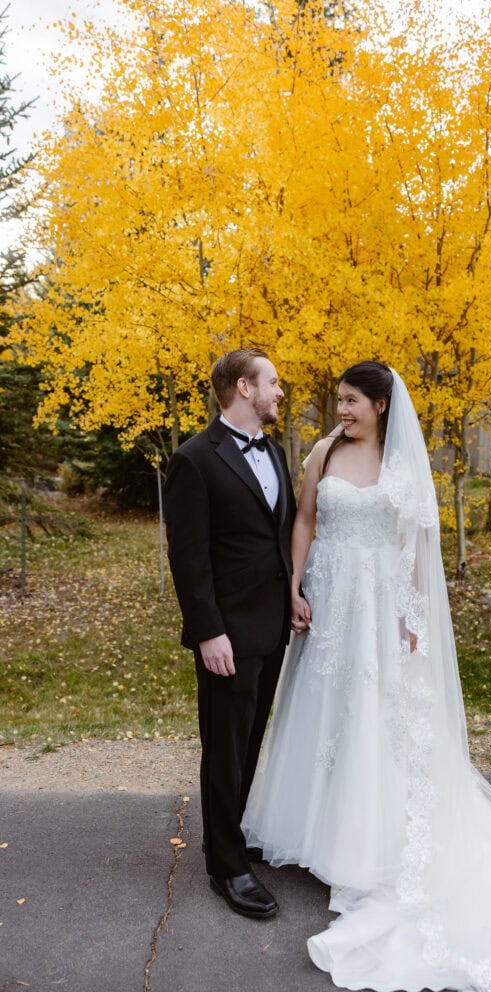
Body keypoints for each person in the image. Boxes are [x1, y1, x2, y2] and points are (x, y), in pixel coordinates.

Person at [243, 360, 491, 990]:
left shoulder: (404, 466)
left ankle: (364, 839)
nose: (341, 411)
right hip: (329, 601)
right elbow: (306, 521)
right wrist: (294, 585)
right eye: (338, 401)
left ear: (379, 406)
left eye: (351, 402)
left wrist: (414, 621)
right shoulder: (322, 451)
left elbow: (416, 546)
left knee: (372, 716)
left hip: (378, 609)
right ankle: (313, 829)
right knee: (320, 712)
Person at [165, 348, 296, 921]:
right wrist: (208, 632)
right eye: (272, 382)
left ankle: (230, 837)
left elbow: (278, 535)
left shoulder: (274, 450)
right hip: (227, 635)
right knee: (224, 746)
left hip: (271, 627)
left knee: (247, 743)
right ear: (244, 388)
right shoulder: (194, 458)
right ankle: (226, 867)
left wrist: (294, 597)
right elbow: (188, 558)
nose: (279, 392)